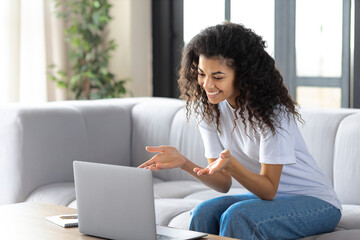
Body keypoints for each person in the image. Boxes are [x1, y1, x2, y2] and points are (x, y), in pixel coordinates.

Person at [139, 22, 341, 240]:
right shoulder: (208, 109)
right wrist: (184, 163)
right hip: (268, 202)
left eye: (217, 76)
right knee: (203, 212)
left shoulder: (271, 113)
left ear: (243, 75)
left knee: (239, 216)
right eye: (201, 74)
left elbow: (268, 189)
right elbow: (223, 183)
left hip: (317, 203)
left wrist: (232, 165)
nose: (207, 85)